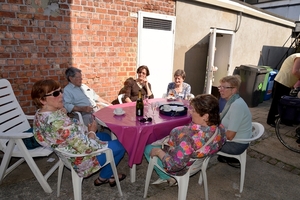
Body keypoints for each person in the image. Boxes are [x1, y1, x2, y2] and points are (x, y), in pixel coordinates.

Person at [31, 79, 126, 187]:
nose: (61, 95)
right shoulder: (58, 122)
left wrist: (62, 113)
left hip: (67, 150)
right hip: (81, 159)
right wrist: (91, 132)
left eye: (61, 91)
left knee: (105, 136)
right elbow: (86, 148)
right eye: (56, 94)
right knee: (121, 145)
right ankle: (104, 177)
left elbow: (41, 138)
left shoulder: (39, 115)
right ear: (42, 100)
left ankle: (108, 173)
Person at [144, 94, 226, 186]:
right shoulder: (221, 129)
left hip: (182, 167)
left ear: (206, 116)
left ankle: (167, 177)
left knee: (148, 148)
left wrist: (159, 152)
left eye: (194, 110)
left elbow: (174, 166)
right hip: (197, 162)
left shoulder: (188, 139)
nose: (190, 112)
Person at [217, 75, 252, 168]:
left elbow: (229, 136)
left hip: (236, 145)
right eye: (220, 86)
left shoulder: (236, 105)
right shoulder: (232, 101)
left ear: (234, 90)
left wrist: (214, 133)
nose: (220, 89)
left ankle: (197, 166)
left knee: (203, 140)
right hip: (237, 140)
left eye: (224, 87)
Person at [267, 53, 300, 127]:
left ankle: (284, 120)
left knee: (286, 103)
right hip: (282, 81)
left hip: (288, 83)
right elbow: (295, 71)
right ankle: (270, 120)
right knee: (277, 102)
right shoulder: (298, 57)